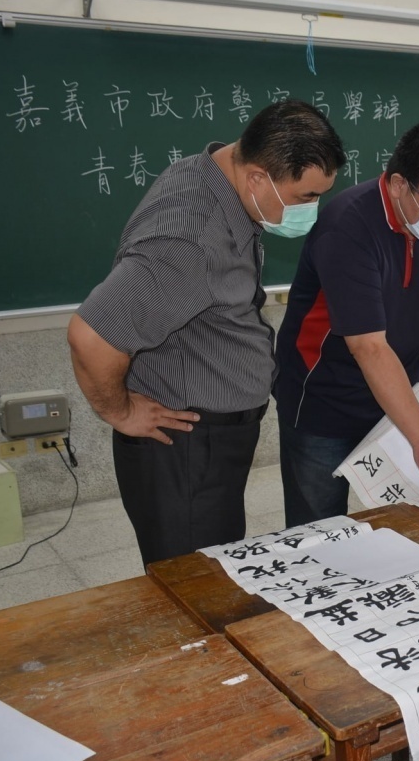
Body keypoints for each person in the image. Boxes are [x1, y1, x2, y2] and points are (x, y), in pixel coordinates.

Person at [68, 100, 346, 566]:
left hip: (206, 442)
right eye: (305, 197)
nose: (313, 210)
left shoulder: (213, 173)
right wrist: (120, 412)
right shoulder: (189, 243)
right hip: (187, 448)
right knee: (197, 582)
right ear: (257, 177)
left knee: (212, 562)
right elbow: (91, 336)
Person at [274, 119, 419, 526]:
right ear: (400, 184)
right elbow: (368, 346)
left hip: (398, 394)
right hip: (324, 398)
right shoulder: (348, 226)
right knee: (319, 526)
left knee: (413, 518)